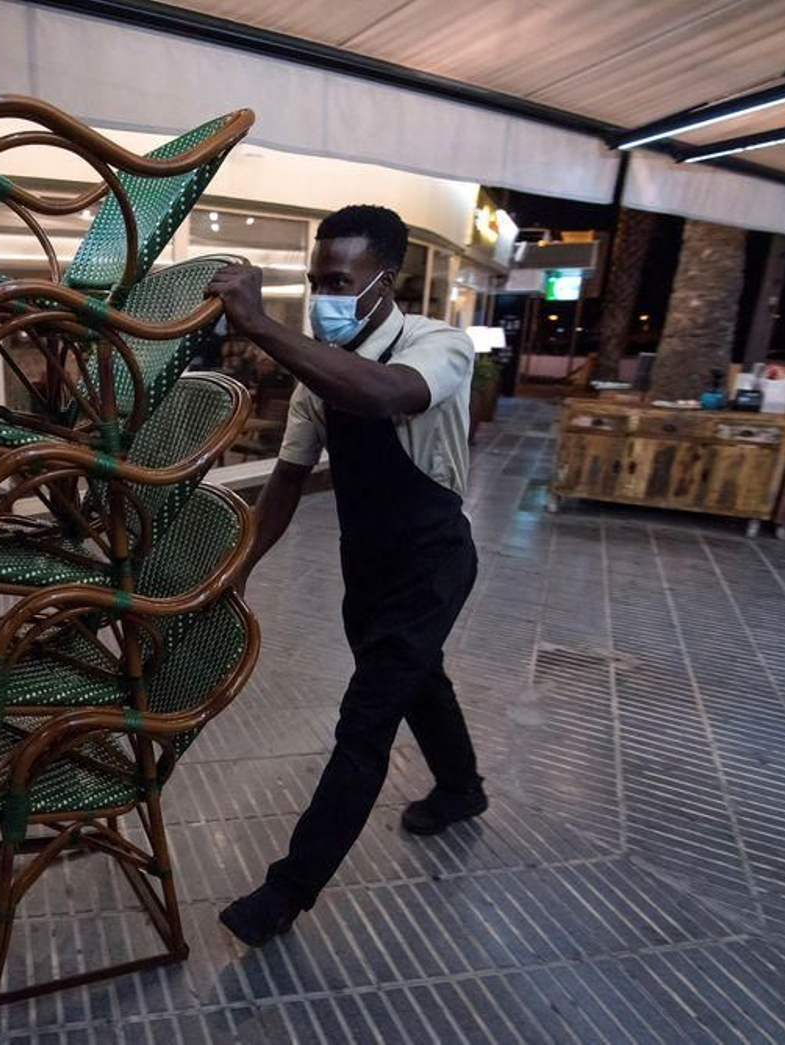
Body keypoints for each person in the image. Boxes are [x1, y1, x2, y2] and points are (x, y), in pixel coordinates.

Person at [205, 204, 484, 947]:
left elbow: (386, 393)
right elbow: (287, 482)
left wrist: (262, 325)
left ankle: (286, 890)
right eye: (314, 278)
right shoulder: (314, 381)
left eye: (339, 279)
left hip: (432, 561)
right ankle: (462, 788)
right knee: (421, 678)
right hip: (367, 563)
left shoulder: (440, 344)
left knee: (366, 721)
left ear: (384, 280)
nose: (323, 291)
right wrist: (237, 570)